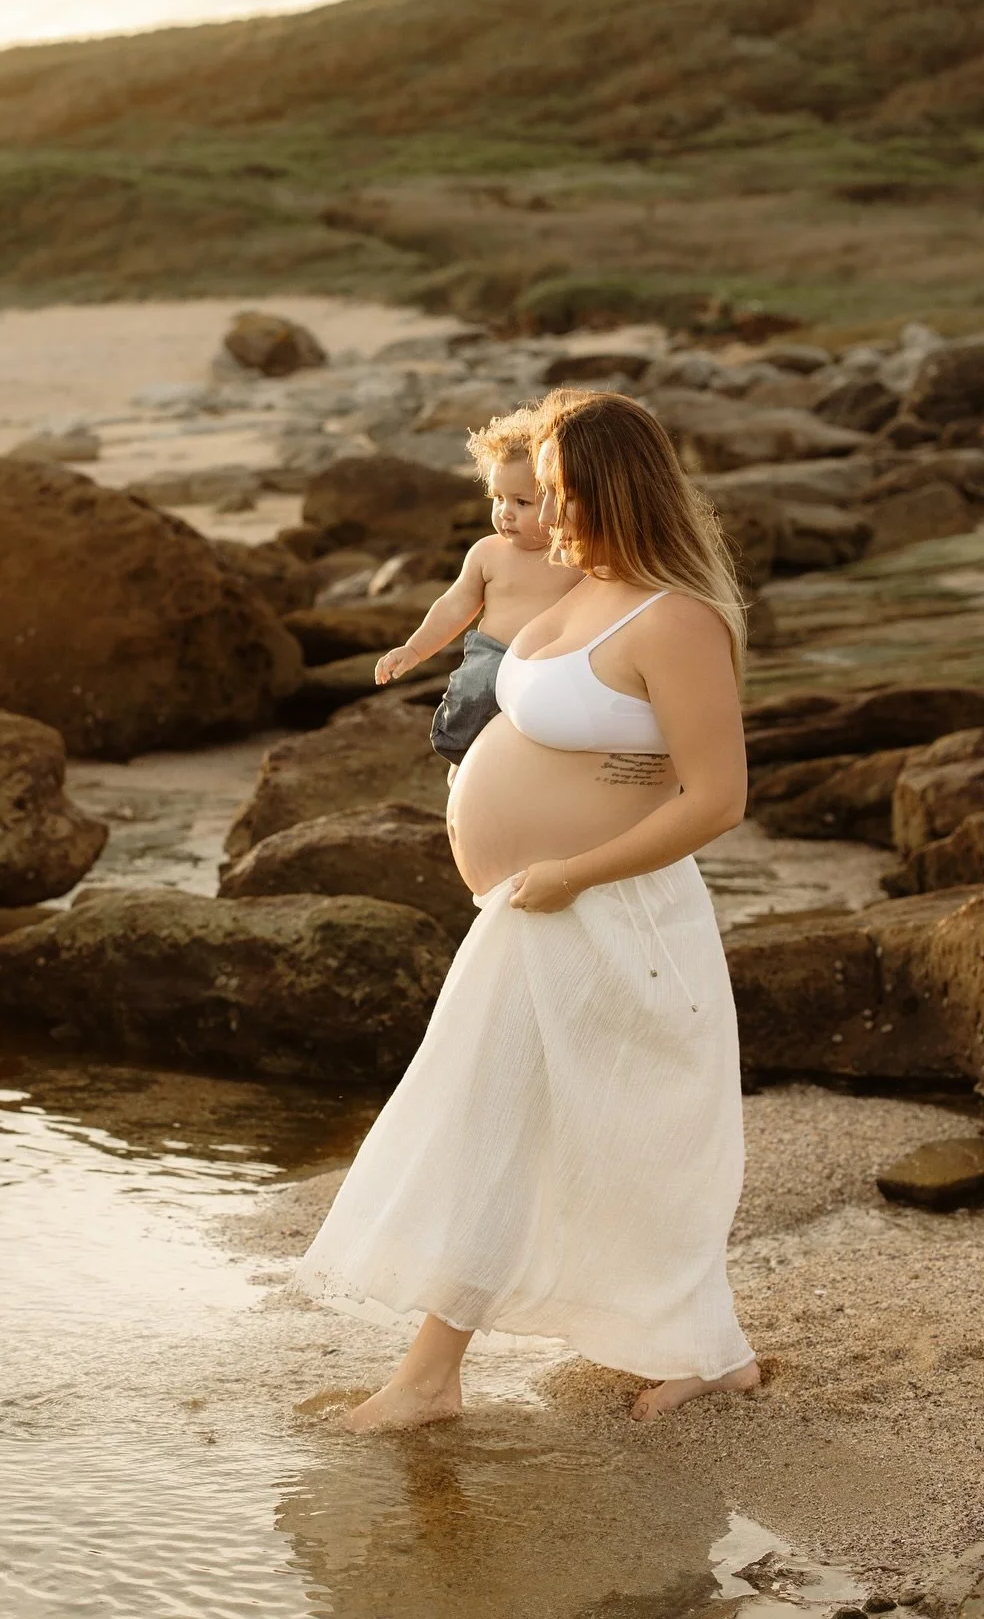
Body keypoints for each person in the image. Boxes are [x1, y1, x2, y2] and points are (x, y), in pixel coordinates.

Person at [296, 387, 761, 1427]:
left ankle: (442, 1377)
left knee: (566, 1130)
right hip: (538, 911)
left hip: (611, 916)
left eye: (558, 495)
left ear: (612, 493)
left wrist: (573, 870)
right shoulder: (580, 587)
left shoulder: (675, 619)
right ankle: (691, 1353)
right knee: (520, 1124)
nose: (542, 516)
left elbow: (717, 798)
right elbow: (530, 688)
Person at [373, 410, 582, 774]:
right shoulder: (488, 552)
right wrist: (416, 649)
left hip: (549, 662)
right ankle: (462, 760)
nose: (505, 513)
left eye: (522, 502)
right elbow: (455, 605)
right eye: (498, 498)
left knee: (542, 726)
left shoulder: (573, 556)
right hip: (493, 656)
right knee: (471, 703)